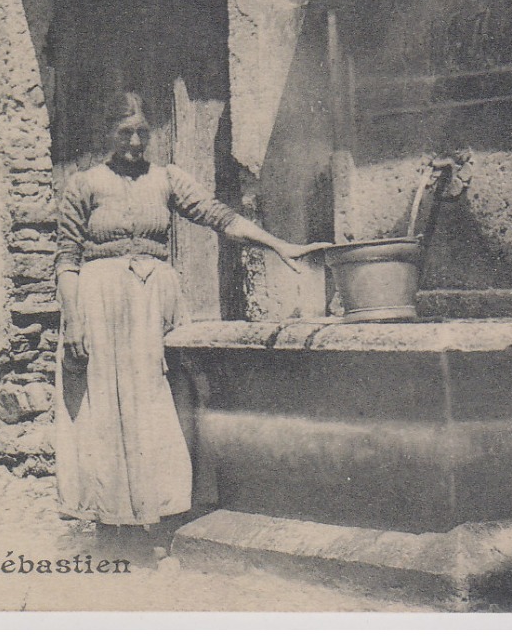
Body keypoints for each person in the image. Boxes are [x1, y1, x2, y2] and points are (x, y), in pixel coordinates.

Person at [54, 92, 328, 554]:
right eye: (126, 133)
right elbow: (65, 259)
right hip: (97, 306)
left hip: (154, 305)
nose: (136, 142)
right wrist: (74, 322)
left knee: (157, 404)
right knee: (105, 410)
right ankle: (112, 523)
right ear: (107, 134)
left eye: (143, 132)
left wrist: (278, 245)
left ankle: (158, 517)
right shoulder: (84, 185)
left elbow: (220, 217)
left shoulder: (167, 179)